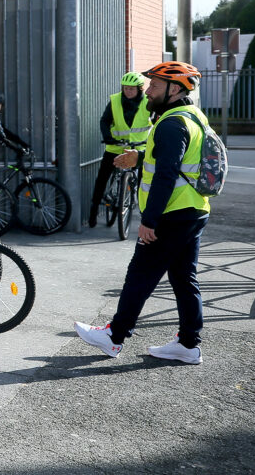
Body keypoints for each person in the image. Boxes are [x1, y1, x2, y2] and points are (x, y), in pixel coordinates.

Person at [74, 61, 211, 365]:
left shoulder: (172, 124)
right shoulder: (191, 116)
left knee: (141, 274)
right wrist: (138, 156)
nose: (148, 90)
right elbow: (175, 159)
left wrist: (149, 220)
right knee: (183, 278)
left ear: (175, 89)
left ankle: (114, 337)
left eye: (156, 86)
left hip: (171, 214)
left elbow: (166, 173)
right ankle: (189, 344)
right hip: (193, 209)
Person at [88, 72, 151, 227]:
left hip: (139, 149)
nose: (128, 91)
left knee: (146, 181)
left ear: (139, 89)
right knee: (102, 178)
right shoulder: (115, 100)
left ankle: (146, 215)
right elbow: (105, 121)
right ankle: (94, 208)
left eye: (131, 89)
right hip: (116, 147)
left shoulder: (148, 102)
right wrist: (108, 137)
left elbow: (157, 121)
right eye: (125, 88)